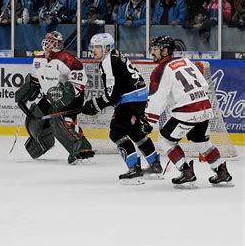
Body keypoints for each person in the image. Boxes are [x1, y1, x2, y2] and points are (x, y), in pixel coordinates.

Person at [142, 36, 234, 188]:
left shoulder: (160, 70)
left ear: (165, 51)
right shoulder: (186, 61)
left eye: (155, 49)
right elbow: (204, 85)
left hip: (186, 111)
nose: (152, 52)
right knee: (202, 142)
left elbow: (157, 98)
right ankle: (221, 172)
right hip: (205, 108)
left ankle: (186, 172)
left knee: (165, 140)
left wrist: (148, 122)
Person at [81, 33, 162, 184]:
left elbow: (112, 95)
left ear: (106, 48)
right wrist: (96, 104)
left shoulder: (108, 62)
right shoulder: (116, 55)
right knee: (135, 131)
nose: (94, 50)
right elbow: (115, 91)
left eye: (97, 47)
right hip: (140, 96)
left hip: (131, 99)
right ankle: (155, 166)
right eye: (93, 47)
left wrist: (95, 105)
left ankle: (134, 170)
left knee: (117, 132)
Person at [15, 31, 94, 165]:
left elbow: (79, 83)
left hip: (72, 97)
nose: (48, 44)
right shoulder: (38, 58)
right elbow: (36, 81)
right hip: (50, 96)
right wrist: (27, 90)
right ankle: (43, 143)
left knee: (59, 121)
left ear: (59, 44)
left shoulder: (67, 58)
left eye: (52, 41)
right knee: (33, 119)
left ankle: (82, 149)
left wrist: (65, 95)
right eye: (47, 40)